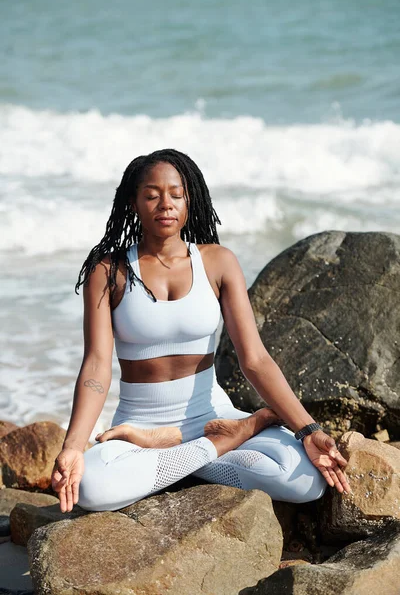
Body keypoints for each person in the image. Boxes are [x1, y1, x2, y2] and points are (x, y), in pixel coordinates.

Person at [51, 148, 351, 513]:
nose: (166, 204)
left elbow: (255, 359)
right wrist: (72, 446)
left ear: (190, 199)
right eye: (151, 195)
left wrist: (308, 430)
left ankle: (185, 448)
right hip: (139, 426)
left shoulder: (217, 262)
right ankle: (226, 440)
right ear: (133, 202)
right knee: (91, 489)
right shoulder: (109, 271)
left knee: (304, 480)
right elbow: (97, 366)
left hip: (212, 416)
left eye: (177, 194)